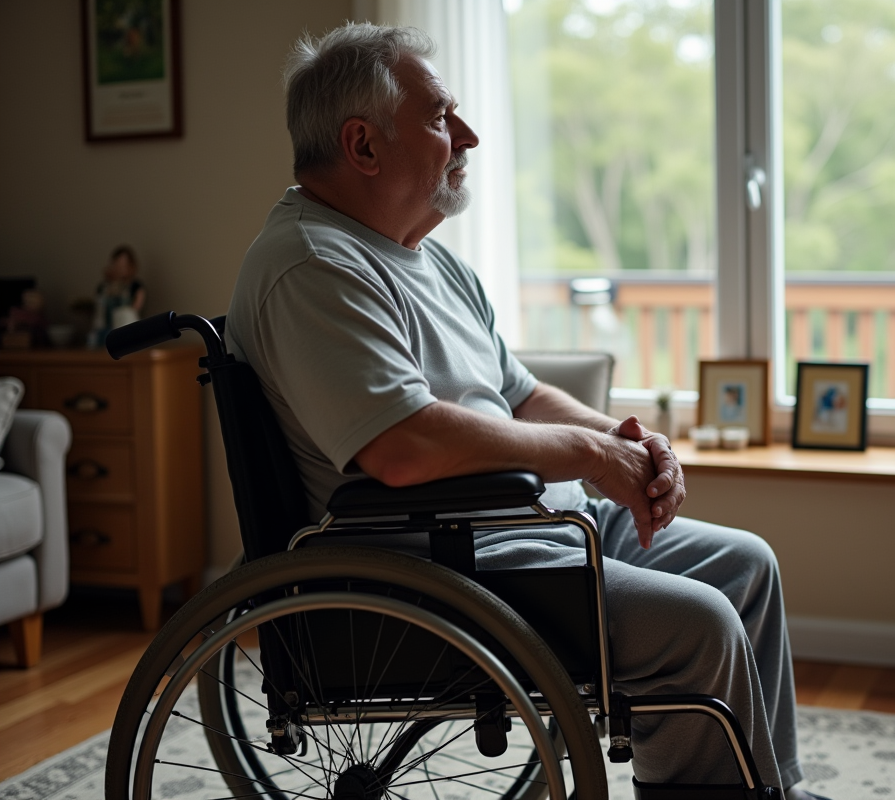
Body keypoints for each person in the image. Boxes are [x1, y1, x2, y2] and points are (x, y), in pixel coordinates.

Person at [226, 22, 824, 800]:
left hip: (526, 529)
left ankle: (765, 790)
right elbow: (401, 448)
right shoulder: (313, 267)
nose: (468, 135)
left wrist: (622, 442)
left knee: (746, 566)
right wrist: (579, 457)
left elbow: (520, 393)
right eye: (441, 116)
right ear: (363, 146)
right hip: (447, 566)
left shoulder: (424, 256)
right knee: (699, 622)